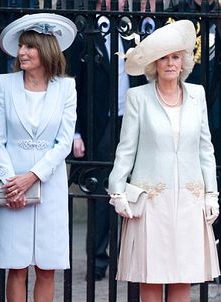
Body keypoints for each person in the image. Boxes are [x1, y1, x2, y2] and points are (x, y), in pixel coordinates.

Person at [108, 20, 220, 302]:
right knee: (153, 272)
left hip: (188, 196)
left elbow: (206, 148)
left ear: (184, 62)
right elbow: (125, 150)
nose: (171, 63)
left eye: (176, 57)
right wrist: (116, 190)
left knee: (183, 271)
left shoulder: (198, 95)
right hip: (151, 198)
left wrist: (211, 193)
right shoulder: (138, 97)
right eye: (164, 58)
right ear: (155, 64)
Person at [0, 13, 77, 302]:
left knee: (48, 265)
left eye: (28, 46)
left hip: (50, 184)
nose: (22, 52)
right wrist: (12, 180)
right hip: (11, 187)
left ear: (44, 50)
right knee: (17, 265)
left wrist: (34, 176)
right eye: (21, 46)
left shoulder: (65, 88)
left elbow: (64, 141)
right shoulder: (5, 84)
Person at [69, 0, 145, 281]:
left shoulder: (135, 30)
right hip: (99, 122)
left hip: (132, 121)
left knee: (135, 191)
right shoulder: (86, 30)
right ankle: (98, 261)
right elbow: (72, 83)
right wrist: (76, 132)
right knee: (100, 193)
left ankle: (131, 259)